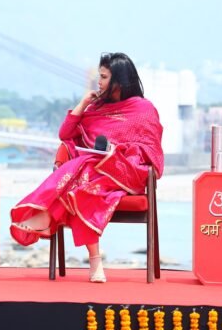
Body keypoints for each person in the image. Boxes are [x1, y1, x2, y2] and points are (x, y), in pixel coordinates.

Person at [10, 52, 163, 283]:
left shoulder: (143, 109)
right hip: (93, 173)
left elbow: (149, 148)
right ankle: (95, 260)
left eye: (104, 77)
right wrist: (83, 104)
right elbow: (65, 134)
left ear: (119, 81)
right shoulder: (96, 108)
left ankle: (47, 216)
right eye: (99, 76)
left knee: (83, 168)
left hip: (128, 172)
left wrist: (118, 153)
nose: (98, 82)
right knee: (82, 185)